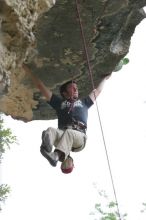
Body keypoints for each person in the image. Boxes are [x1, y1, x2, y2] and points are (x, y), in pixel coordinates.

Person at [23, 64, 110, 171]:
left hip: (79, 137)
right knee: (50, 131)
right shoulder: (59, 103)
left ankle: (55, 156)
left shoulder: (84, 102)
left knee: (69, 133)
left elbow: (97, 91)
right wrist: (27, 70)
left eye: (76, 88)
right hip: (65, 135)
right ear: (64, 93)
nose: (75, 88)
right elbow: (41, 86)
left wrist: (105, 79)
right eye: (72, 87)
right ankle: (46, 148)